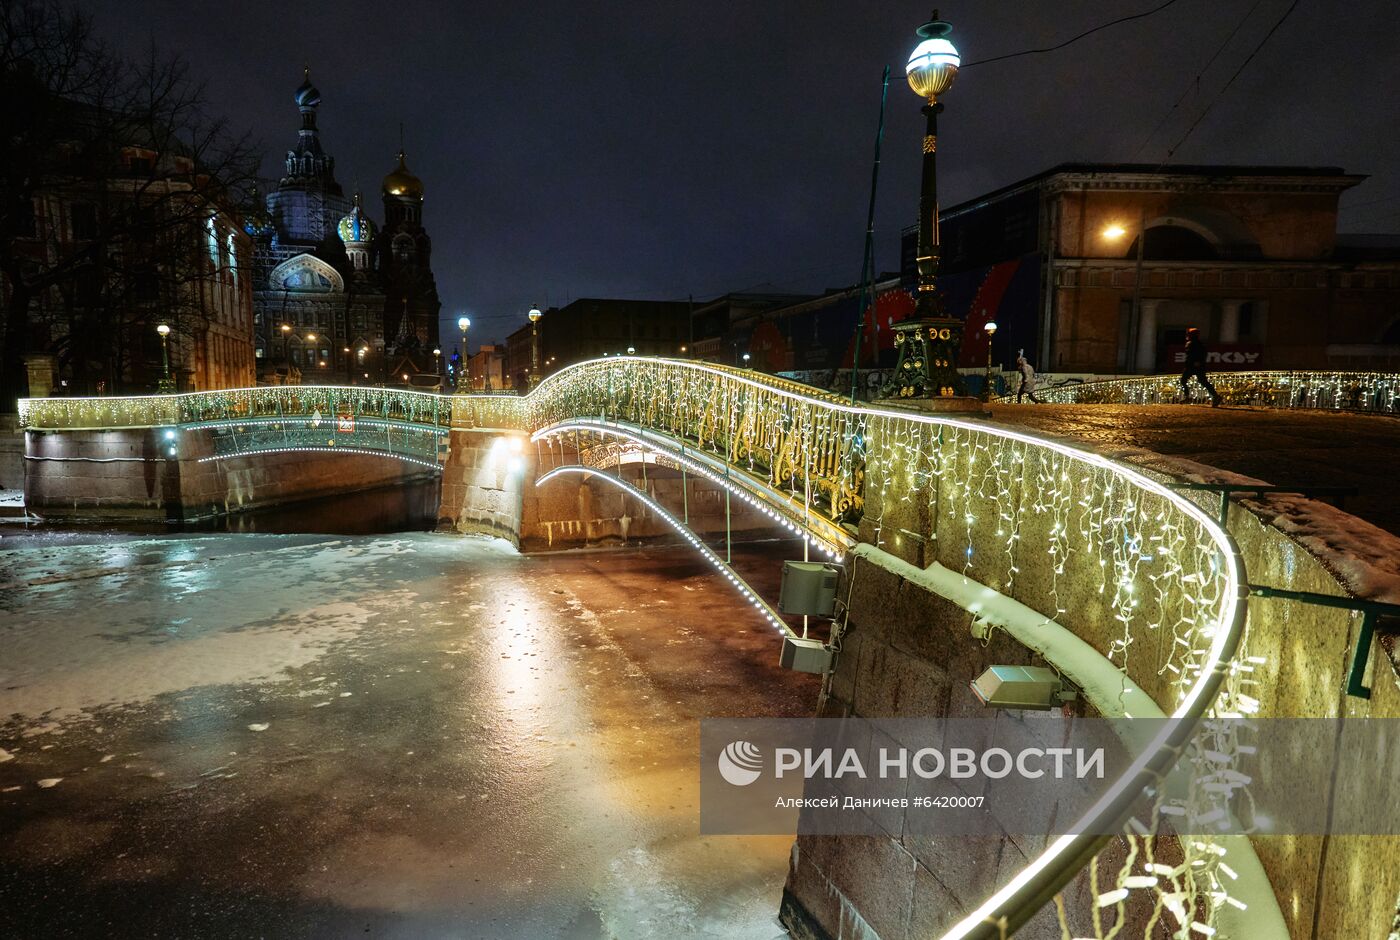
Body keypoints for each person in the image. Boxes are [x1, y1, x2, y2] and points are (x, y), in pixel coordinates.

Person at [1180, 327, 1222, 406]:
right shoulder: (1198, 344)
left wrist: (1197, 362)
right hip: (1196, 366)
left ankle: (1187, 396)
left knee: (1184, 380)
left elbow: (1195, 355)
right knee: (1202, 381)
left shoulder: (1193, 344)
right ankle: (1216, 396)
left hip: (1193, 366)